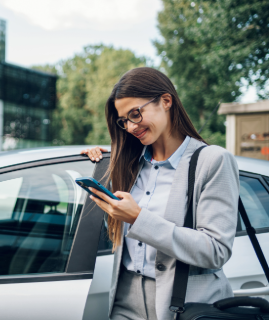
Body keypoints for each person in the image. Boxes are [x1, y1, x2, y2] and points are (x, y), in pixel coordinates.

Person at [80, 67, 239, 320]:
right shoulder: (128, 163)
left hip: (187, 305)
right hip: (125, 300)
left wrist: (139, 219)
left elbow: (216, 250)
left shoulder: (213, 160)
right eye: (124, 121)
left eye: (135, 114)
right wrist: (98, 159)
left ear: (166, 101)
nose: (131, 127)